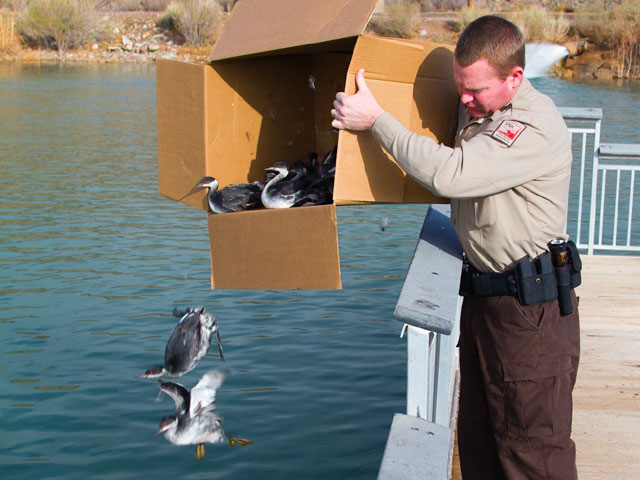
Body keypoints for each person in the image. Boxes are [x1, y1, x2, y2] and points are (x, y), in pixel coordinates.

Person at [331, 15, 580, 480]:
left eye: (476, 91)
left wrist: (377, 122)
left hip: (531, 315)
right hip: (488, 303)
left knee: (533, 456)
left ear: (516, 77)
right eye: (459, 87)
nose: (464, 101)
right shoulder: (483, 110)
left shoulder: (532, 126)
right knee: (481, 449)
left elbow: (452, 175)